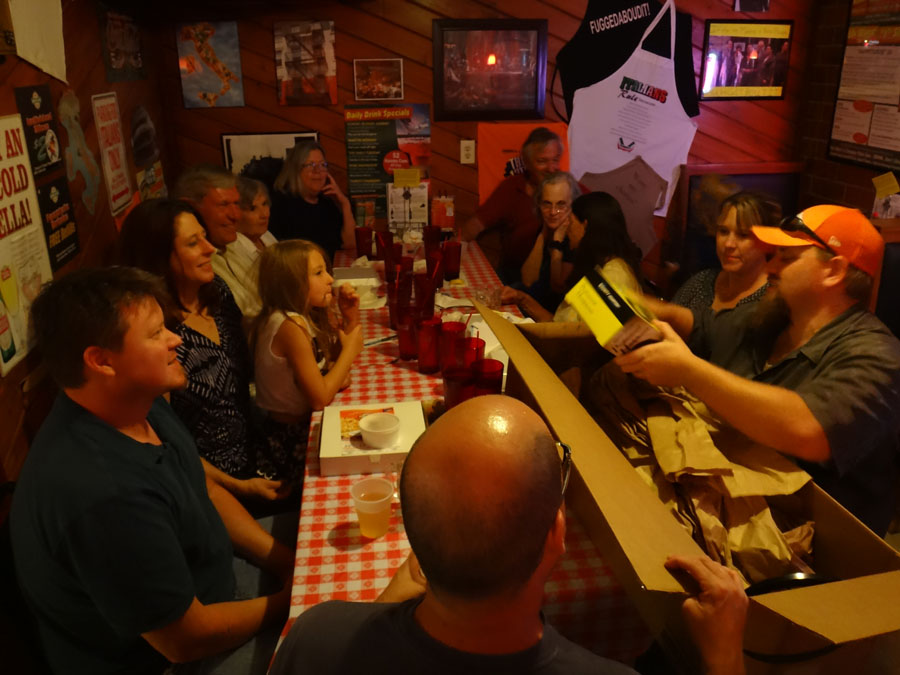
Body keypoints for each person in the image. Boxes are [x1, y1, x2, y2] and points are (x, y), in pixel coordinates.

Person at [268, 395, 749, 675]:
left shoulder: (315, 637)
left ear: (415, 540)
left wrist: (382, 609)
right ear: (557, 533)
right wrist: (726, 656)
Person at [10, 266, 292, 675]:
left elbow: (203, 491)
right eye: (157, 333)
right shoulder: (101, 493)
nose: (176, 339)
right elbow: (186, 640)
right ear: (101, 361)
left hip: (218, 583)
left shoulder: (136, 401)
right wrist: (292, 599)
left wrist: (286, 561)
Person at [617, 205, 900, 535]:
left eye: (786, 258)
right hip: (723, 504)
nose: (771, 266)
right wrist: (640, 306)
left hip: (813, 544)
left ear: (833, 271)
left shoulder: (879, 355)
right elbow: (702, 327)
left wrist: (688, 370)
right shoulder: (770, 318)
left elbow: (808, 432)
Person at [117, 199, 289, 502]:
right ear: (159, 256)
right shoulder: (155, 334)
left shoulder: (216, 293)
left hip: (259, 454)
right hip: (215, 488)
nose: (210, 249)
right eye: (193, 243)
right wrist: (240, 487)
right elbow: (165, 443)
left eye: (205, 237)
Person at [250, 240, 364, 480]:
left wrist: (350, 319)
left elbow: (327, 365)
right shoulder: (290, 326)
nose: (330, 279)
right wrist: (349, 353)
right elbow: (320, 398)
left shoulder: (302, 316)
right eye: (318, 273)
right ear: (292, 283)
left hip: (302, 425)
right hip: (290, 439)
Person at [502, 191, 643, 322]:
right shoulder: (596, 265)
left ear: (585, 226)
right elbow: (561, 326)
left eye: (571, 222)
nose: (566, 229)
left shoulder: (613, 276)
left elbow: (573, 336)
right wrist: (521, 299)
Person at [461, 127, 564, 284]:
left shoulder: (568, 188)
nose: (551, 168)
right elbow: (476, 224)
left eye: (555, 160)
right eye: (542, 161)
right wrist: (454, 247)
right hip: (514, 275)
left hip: (553, 278)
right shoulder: (512, 187)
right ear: (527, 163)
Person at [173, 164, 267, 317]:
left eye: (236, 204)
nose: (236, 215)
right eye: (224, 205)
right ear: (189, 207)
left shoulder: (237, 243)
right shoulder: (193, 268)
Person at [672, 191, 780, 312]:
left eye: (743, 235)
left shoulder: (773, 300)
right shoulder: (702, 282)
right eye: (723, 231)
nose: (728, 244)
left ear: (767, 241)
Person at [268, 140, 354, 262]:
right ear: (295, 170)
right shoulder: (282, 204)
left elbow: (350, 244)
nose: (317, 171)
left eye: (322, 165)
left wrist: (345, 203)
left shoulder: (326, 203)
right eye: (310, 165)